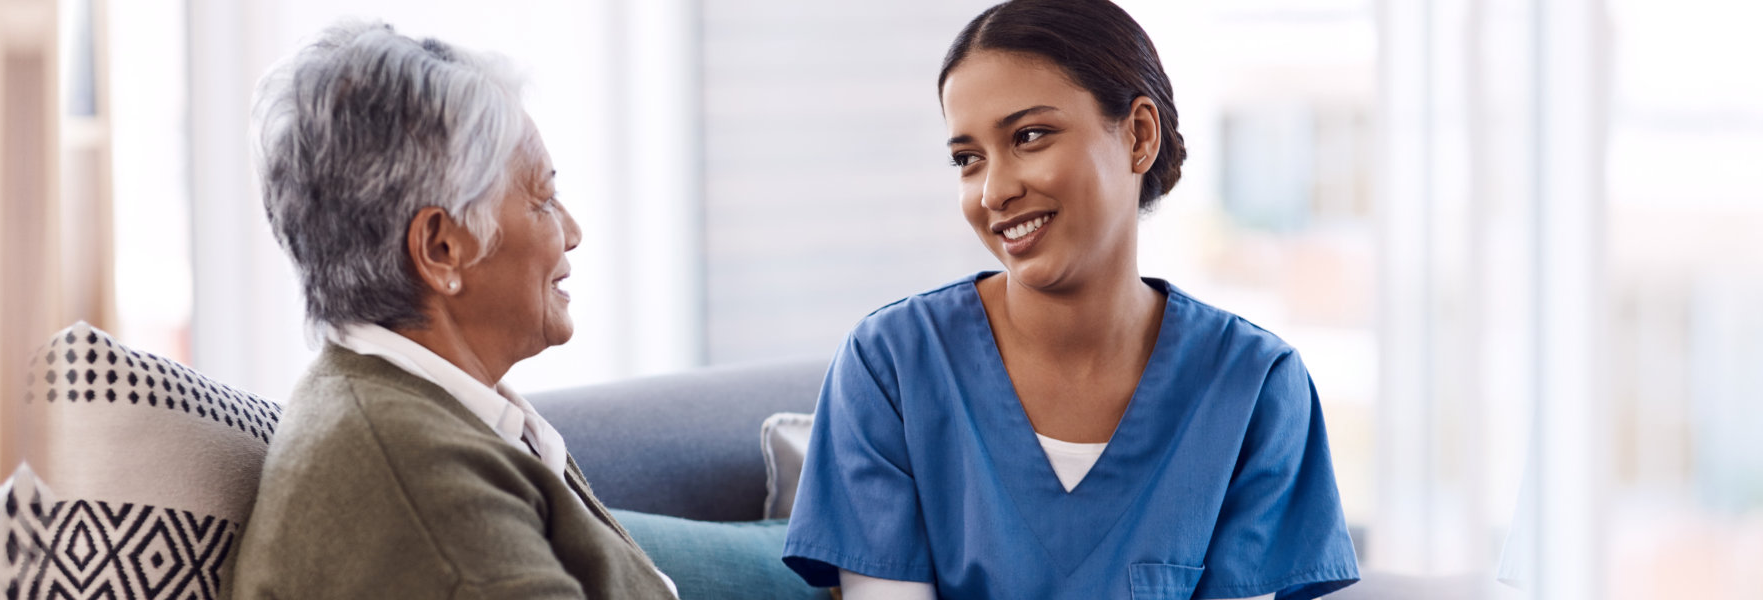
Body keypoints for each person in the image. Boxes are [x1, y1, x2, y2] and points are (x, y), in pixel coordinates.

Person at [780, 1, 1359, 598]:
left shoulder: (1255, 387)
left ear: (1139, 135)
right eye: (967, 159)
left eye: (1030, 136)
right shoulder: (892, 366)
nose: (995, 191)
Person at [231, 22, 676, 599]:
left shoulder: (414, 406)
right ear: (442, 248)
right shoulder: (419, 487)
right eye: (543, 199)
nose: (572, 232)